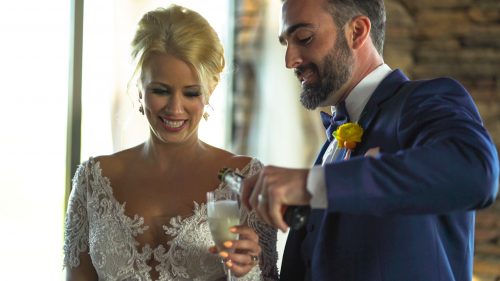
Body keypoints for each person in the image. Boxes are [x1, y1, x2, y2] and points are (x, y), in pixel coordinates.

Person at [241, 0, 499, 280]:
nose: (290, 60)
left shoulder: (425, 100)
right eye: (285, 44)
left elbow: (476, 172)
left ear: (357, 31)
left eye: (304, 38)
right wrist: (254, 265)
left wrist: (308, 183)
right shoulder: (332, 143)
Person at [63, 5, 279, 281]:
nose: (175, 108)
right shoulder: (94, 180)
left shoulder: (244, 178)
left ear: (210, 90)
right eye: (160, 90)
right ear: (139, 89)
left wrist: (246, 272)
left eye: (191, 93)